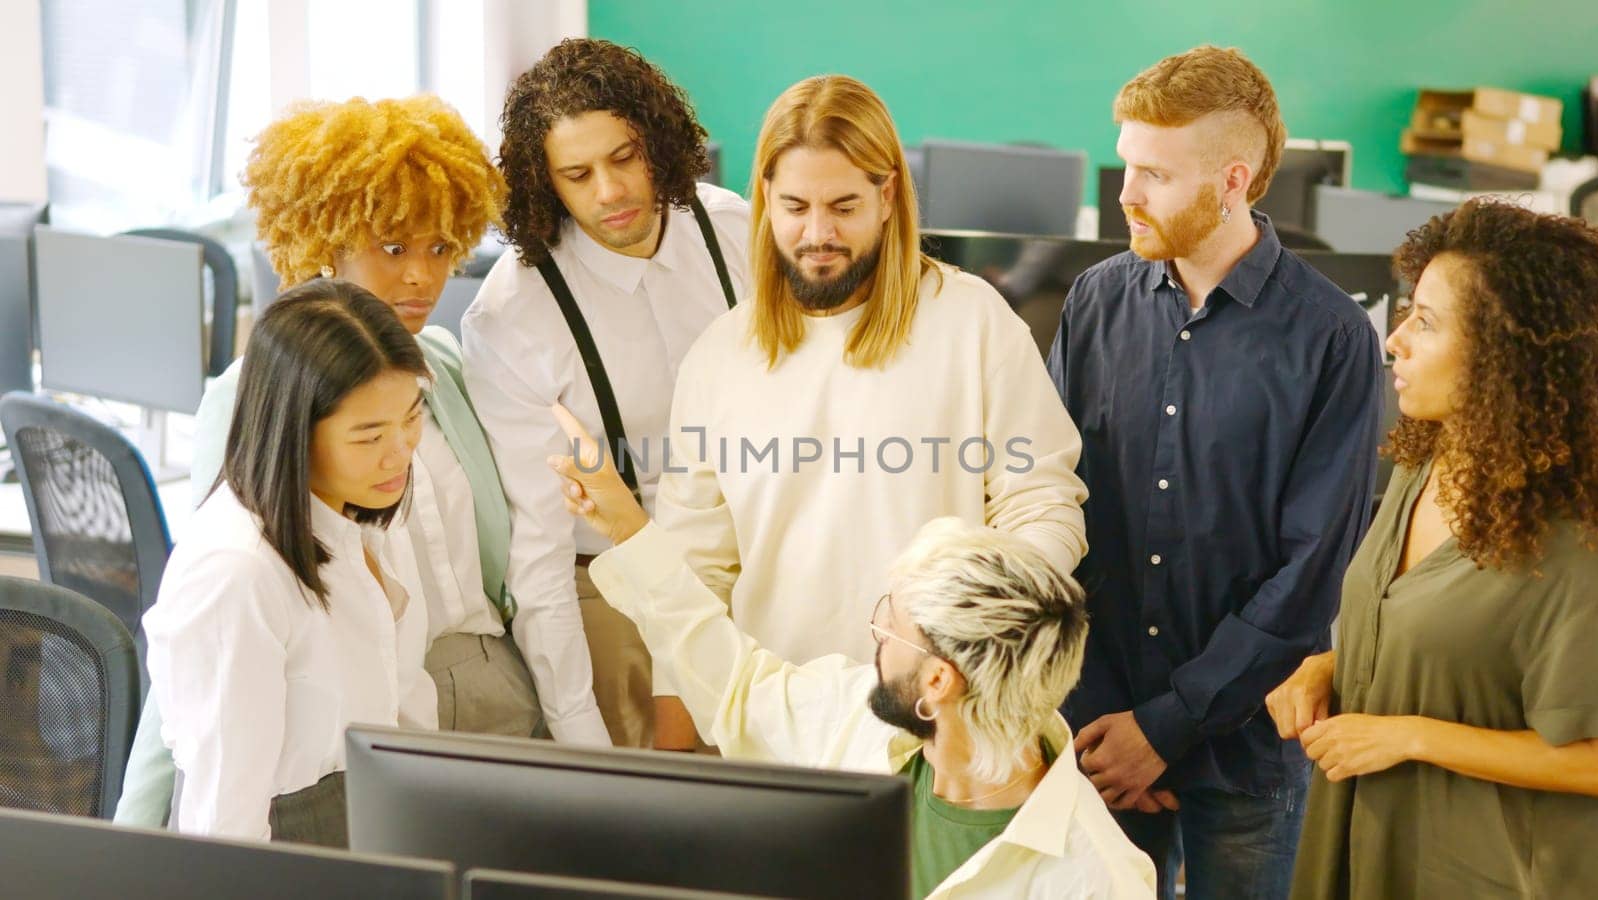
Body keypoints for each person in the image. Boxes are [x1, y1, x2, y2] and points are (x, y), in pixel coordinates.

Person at [115, 94, 588, 829]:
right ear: (324, 238)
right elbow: (209, 644)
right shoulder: (259, 395)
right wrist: (136, 833)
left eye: (440, 249)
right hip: (349, 721)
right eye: (394, 248)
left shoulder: (442, 364)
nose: (421, 279)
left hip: (488, 688)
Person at [546, 404, 1155, 899]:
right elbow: (734, 681)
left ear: (938, 683)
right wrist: (626, 524)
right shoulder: (855, 719)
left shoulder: (1099, 878)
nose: (875, 639)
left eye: (887, 629)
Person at [652, 74, 1087, 747]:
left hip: (948, 725)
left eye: (844, 206)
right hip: (777, 727)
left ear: (887, 197)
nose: (817, 233)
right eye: (794, 206)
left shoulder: (974, 322)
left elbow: (1043, 504)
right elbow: (694, 569)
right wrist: (674, 741)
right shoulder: (720, 355)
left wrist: (980, 636)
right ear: (764, 198)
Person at [1045, 46, 1383, 899]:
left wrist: (1167, 728)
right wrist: (1106, 722)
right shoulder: (1093, 302)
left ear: (1232, 181)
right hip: (1096, 730)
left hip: (1246, 757)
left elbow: (1311, 574)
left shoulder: (1334, 338)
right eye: (1125, 165)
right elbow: (1051, 507)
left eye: (1154, 174)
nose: (1124, 194)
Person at [1271, 200, 1598, 899]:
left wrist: (1412, 736)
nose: (1395, 340)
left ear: (1508, 352)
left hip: (1490, 872)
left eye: (1425, 321)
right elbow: (1453, 635)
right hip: (1367, 846)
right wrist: (1331, 665)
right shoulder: (1426, 465)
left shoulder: (1576, 537)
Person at [462, 38, 751, 749]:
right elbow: (539, 546)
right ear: (545, 182)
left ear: (660, 143)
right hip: (616, 595)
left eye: (624, 158)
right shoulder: (513, 316)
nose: (610, 192)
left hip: (758, 565)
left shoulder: (735, 228)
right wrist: (577, 728)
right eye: (578, 173)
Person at [143, 280, 437, 845]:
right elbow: (225, 818)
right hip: (281, 837)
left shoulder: (361, 506)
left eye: (411, 417)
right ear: (293, 432)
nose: (402, 451)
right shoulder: (239, 571)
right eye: (369, 435)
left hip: (373, 809)